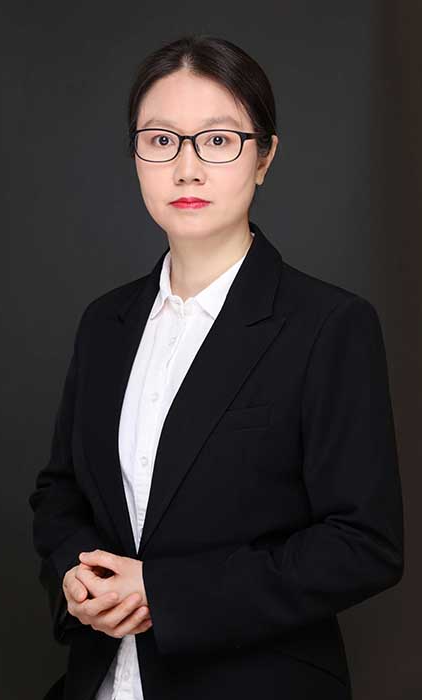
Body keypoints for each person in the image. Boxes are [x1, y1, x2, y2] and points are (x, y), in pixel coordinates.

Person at [28, 34, 404, 700]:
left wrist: (164, 593)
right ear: (136, 156)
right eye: (161, 140)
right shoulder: (105, 323)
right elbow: (60, 493)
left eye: (219, 140)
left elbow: (362, 543)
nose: (187, 169)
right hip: (101, 681)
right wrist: (72, 574)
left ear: (264, 157)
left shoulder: (329, 325)